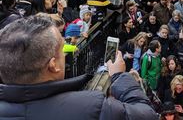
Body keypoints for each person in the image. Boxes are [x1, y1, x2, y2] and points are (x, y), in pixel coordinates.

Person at [0, 16, 158, 120]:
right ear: (53, 65)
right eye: (62, 49)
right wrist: (119, 76)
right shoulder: (93, 107)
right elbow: (147, 115)